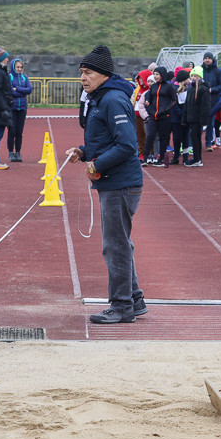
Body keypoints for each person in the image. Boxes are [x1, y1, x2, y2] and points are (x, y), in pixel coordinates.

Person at [64, 45, 146, 324]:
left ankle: (122, 306)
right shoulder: (100, 98)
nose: (83, 78)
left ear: (102, 74)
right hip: (116, 182)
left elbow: (126, 145)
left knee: (115, 246)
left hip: (120, 183)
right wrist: (84, 152)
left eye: (87, 72)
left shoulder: (112, 100)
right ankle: (134, 299)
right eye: (81, 73)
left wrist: (97, 165)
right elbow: (106, 140)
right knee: (120, 243)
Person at [142, 66, 176, 168]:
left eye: (157, 74)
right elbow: (148, 97)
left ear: (162, 75)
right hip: (153, 116)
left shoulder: (169, 87)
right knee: (150, 136)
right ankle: (145, 158)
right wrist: (149, 107)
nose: (155, 76)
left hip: (164, 116)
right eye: (154, 74)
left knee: (163, 137)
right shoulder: (153, 87)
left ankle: (160, 159)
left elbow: (174, 100)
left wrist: (164, 110)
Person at [182, 66, 211, 168]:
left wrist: (203, 121)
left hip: (198, 119)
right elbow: (187, 104)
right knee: (195, 137)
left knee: (195, 136)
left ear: (200, 77)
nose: (193, 78)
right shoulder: (191, 89)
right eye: (192, 76)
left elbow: (205, 106)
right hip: (192, 118)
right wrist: (184, 118)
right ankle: (197, 158)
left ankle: (197, 158)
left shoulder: (203, 89)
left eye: (196, 76)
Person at [202, 52, 221, 149]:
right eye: (206, 58)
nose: (207, 60)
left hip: (213, 100)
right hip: (201, 100)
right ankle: (193, 143)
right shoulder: (200, 70)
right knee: (199, 122)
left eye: (209, 58)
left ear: (212, 59)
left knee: (210, 122)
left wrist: (212, 89)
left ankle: (208, 143)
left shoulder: (217, 71)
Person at [7, 58, 32, 162]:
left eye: (21, 67)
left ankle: (18, 152)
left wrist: (17, 89)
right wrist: (21, 92)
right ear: (13, 67)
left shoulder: (24, 77)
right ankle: (11, 153)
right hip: (12, 107)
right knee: (11, 131)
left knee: (19, 132)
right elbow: (10, 91)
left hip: (22, 108)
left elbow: (29, 90)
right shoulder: (10, 77)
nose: (19, 69)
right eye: (17, 67)